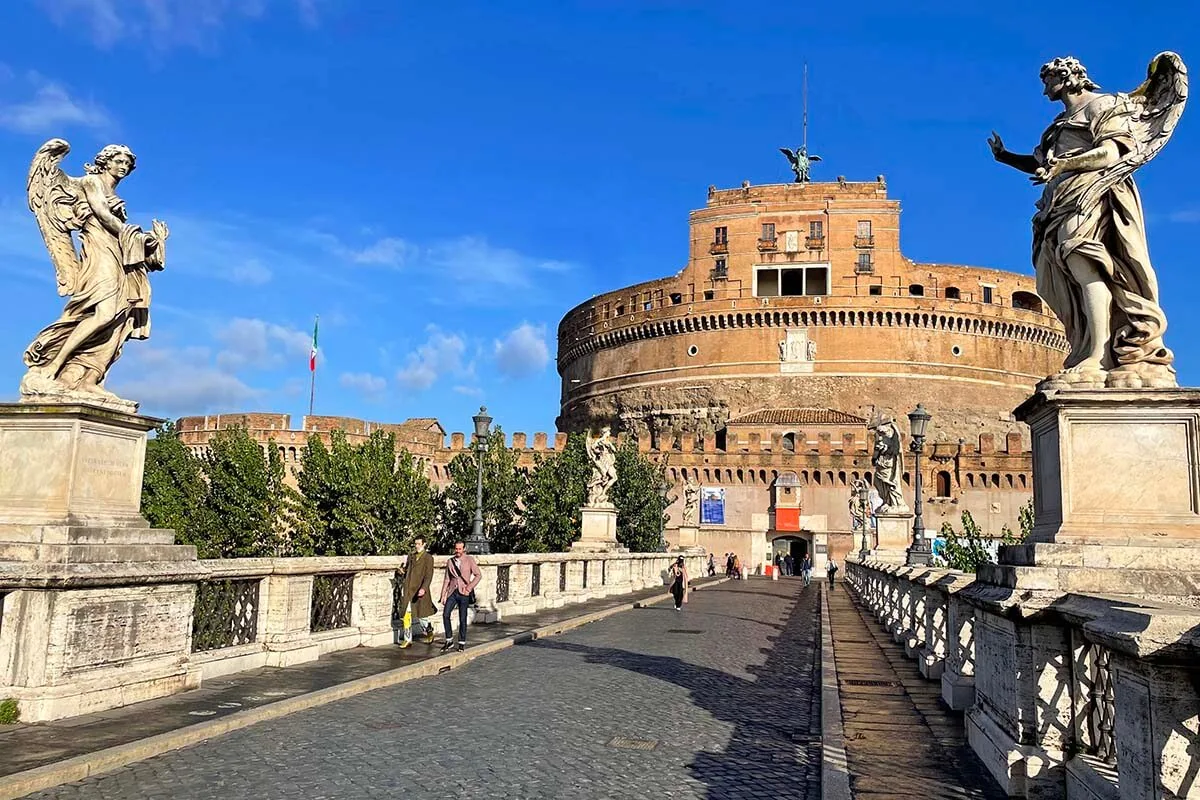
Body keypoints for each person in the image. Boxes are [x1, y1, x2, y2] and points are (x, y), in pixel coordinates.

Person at [440, 541, 482, 652]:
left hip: (464, 593)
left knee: (462, 618)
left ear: (464, 549)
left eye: (460, 549)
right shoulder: (450, 561)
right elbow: (447, 579)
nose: (457, 551)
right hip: (453, 592)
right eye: (456, 549)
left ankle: (461, 642)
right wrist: (443, 595)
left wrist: (469, 588)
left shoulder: (469, 560)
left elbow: (478, 575)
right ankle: (449, 640)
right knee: (445, 614)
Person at [398, 536, 436, 648]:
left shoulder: (428, 558)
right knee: (406, 615)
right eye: (415, 544)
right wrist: (402, 571)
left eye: (419, 544)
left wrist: (424, 588)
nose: (417, 546)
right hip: (409, 590)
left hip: (420, 590)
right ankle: (407, 639)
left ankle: (429, 631)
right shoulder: (411, 556)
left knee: (422, 617)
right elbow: (407, 570)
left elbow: (429, 575)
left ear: (424, 544)